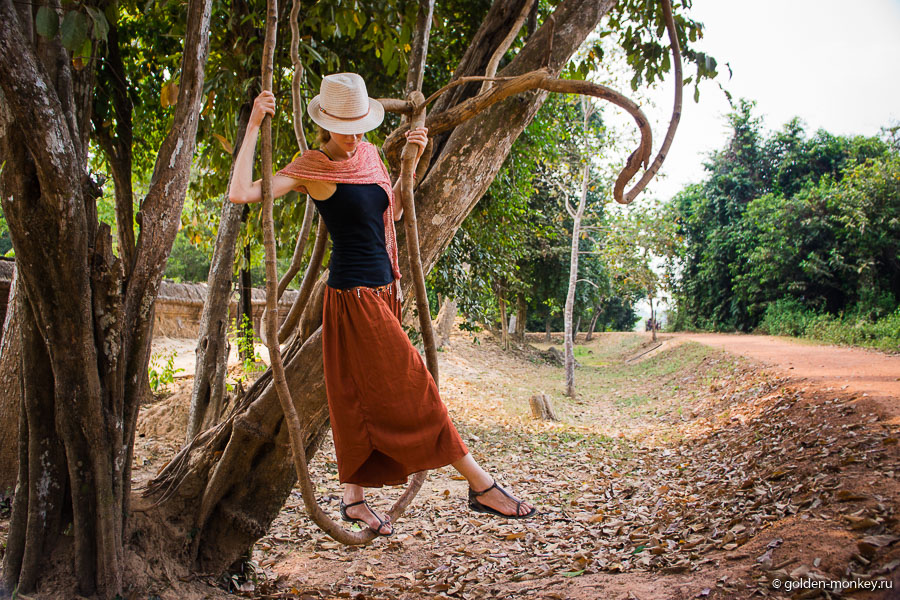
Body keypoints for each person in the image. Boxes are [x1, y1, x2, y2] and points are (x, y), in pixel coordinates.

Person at [228, 73, 535, 536]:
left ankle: (353, 498)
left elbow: (390, 213)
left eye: (359, 126)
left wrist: (413, 164)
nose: (353, 137)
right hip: (352, 297)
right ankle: (480, 484)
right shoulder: (312, 167)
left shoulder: (370, 154)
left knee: (355, 397)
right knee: (417, 387)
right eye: (344, 127)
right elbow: (242, 193)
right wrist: (253, 124)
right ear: (325, 124)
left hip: (385, 290)